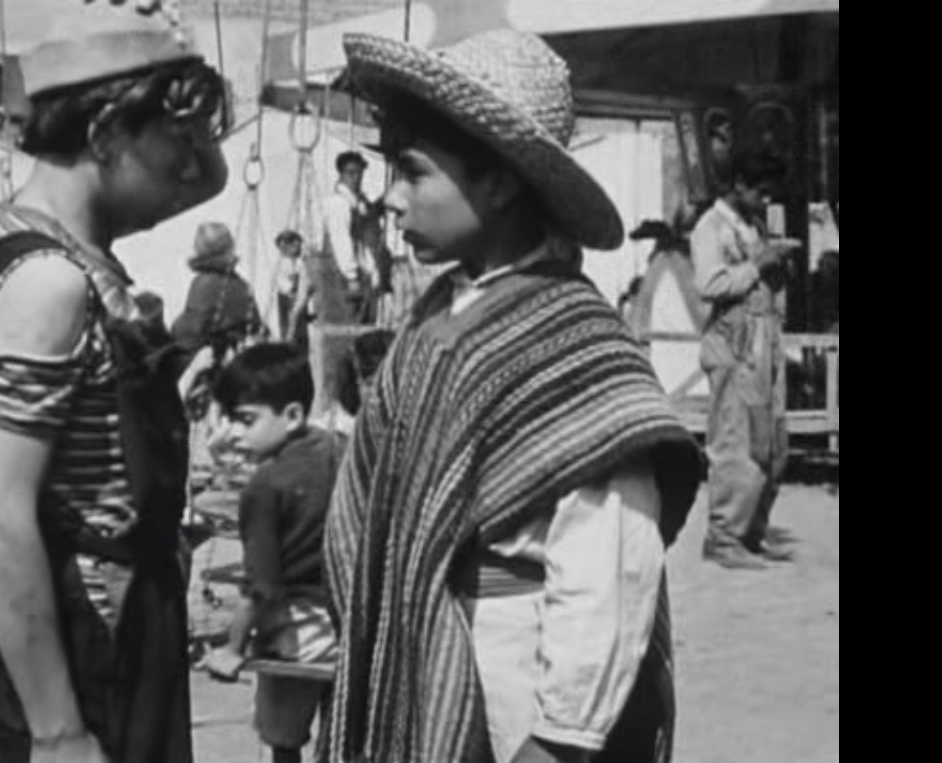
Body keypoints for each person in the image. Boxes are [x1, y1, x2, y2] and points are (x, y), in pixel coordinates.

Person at [321, 30, 704, 763]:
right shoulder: (434, 321)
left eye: (414, 172)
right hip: (423, 666)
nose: (392, 199)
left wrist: (560, 735)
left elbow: (609, 562)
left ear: (499, 183)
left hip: (521, 685)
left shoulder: (576, 346)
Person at [0, 2, 230, 761]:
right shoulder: (47, 280)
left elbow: (208, 178)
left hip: (123, 612)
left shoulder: (39, 231)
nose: (190, 164)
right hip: (78, 632)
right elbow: (0, 516)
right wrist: (59, 731)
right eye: (175, 138)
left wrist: (179, 60)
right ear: (105, 134)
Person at [199, 344, 343, 763]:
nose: (234, 432)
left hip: (297, 633)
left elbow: (262, 586)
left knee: (283, 740)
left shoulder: (265, 487)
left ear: (292, 415)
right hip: (349, 624)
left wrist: (232, 649)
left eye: (246, 420)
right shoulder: (339, 450)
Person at [690, 151, 795, 571]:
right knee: (735, 440)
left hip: (765, 341)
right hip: (734, 347)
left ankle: (752, 530)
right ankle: (724, 535)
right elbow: (709, 284)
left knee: (772, 441)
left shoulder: (753, 226)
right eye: (760, 191)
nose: (765, 200)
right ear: (737, 184)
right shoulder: (709, 228)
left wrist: (777, 267)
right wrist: (757, 265)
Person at [171, 221, 266, 357]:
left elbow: (191, 334)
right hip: (243, 354)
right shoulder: (238, 283)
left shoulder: (205, 283)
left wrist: (175, 327)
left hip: (218, 357)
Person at [321, 151, 382, 324]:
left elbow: (365, 233)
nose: (356, 178)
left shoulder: (358, 202)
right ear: (341, 174)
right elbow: (341, 241)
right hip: (342, 273)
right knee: (347, 324)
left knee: (365, 323)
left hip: (362, 271)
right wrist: (351, 276)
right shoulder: (338, 203)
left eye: (359, 173)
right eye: (351, 173)